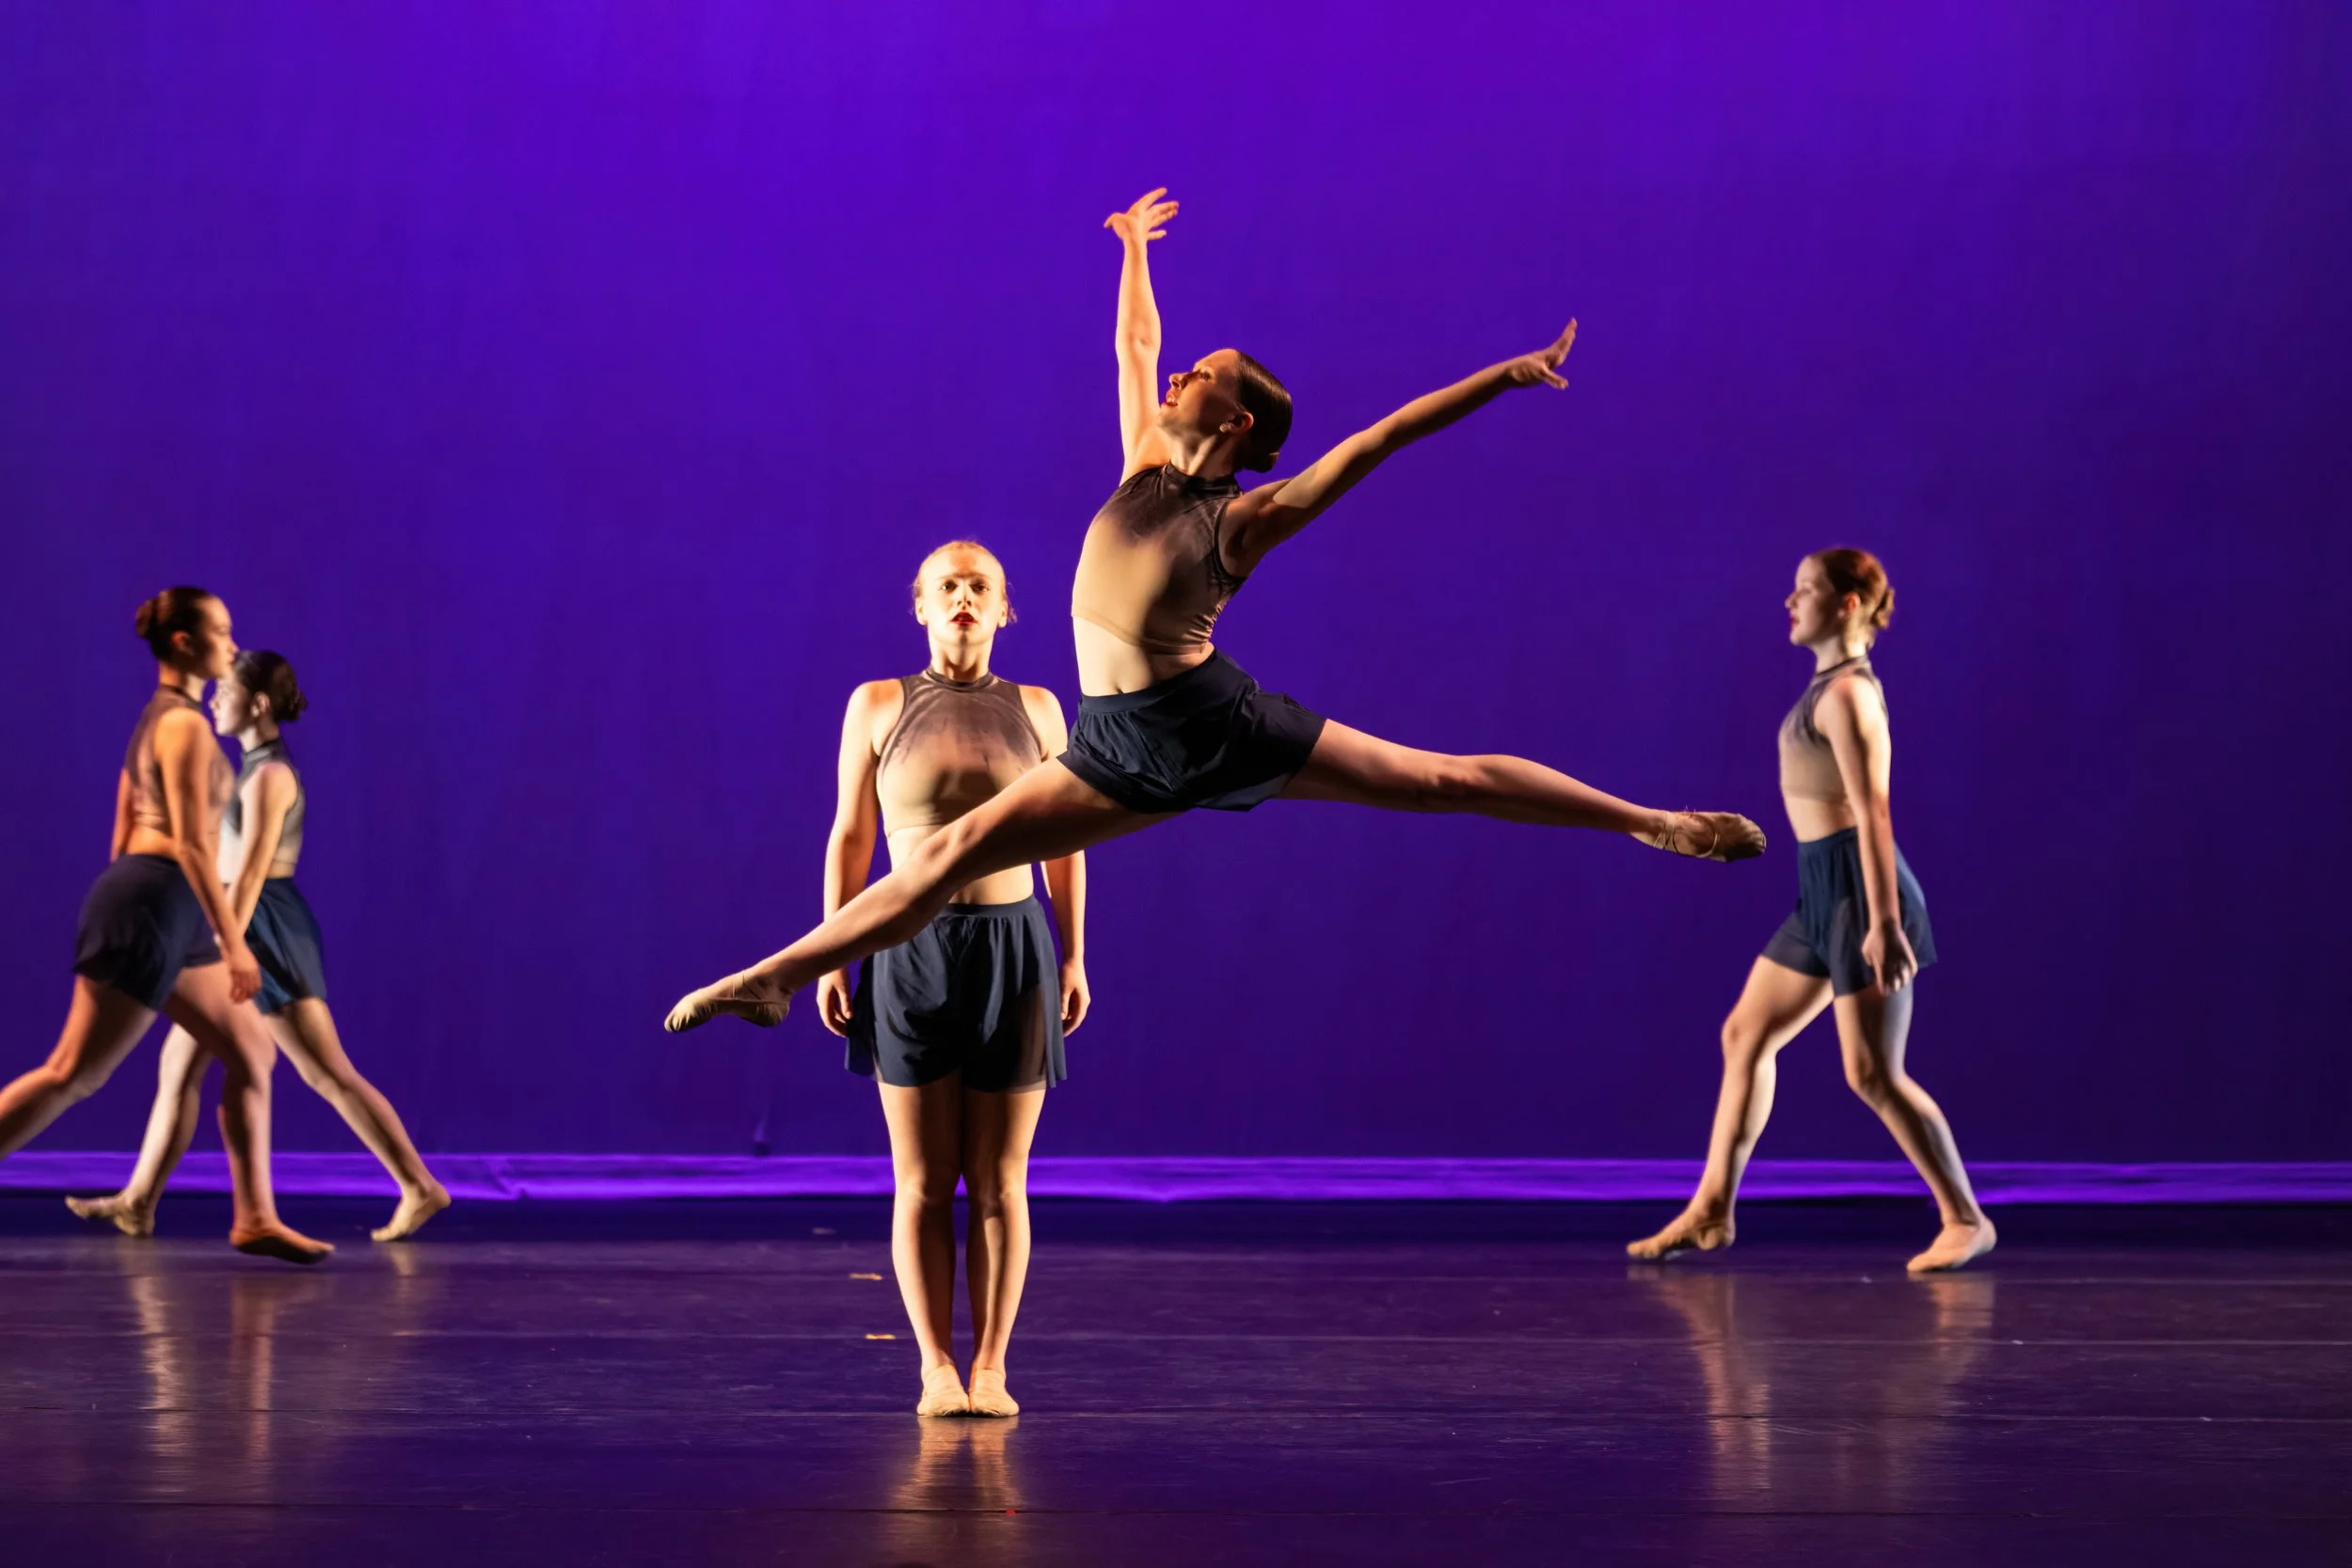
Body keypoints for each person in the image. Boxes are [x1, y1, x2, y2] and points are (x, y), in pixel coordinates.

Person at [664, 188, 1763, 1035]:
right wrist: (1134, 251)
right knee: (949, 849)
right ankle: (778, 976)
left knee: (1441, 780)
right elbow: (1134, 346)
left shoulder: (1242, 520)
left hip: (1210, 724)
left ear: (1233, 422)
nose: (1180, 375)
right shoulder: (1145, 457)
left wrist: (1501, 378)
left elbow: (1377, 440)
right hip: (1114, 745)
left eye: (1203, 375)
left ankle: (1652, 821)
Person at [1627, 550, 1994, 1273]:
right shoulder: (1827, 686)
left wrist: (1884, 922)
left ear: (1848, 603)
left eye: (1805, 590)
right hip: (1822, 888)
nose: (1789, 602)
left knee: (1872, 1073)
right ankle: (1712, 1207)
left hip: (1861, 890)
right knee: (1745, 1034)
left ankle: (1966, 1218)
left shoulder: (1849, 695)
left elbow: (1873, 808)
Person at [817, 542, 1086, 1417]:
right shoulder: (876, 704)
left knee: (1001, 1178)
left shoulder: (1040, 708)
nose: (963, 597)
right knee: (926, 1178)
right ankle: (936, 1366)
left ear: (1004, 609)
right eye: (947, 586)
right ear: (921, 606)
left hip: (1016, 952)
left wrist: (1074, 953)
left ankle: (992, 1367)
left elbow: (1067, 841)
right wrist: (832, 951)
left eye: (980, 587)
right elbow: (851, 835)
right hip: (907, 950)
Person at [67, 650, 451, 1243]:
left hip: (262, 925)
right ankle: (138, 1202)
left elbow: (249, 874)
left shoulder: (271, 776)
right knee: (179, 1062)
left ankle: (420, 1185)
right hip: (241, 919)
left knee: (326, 1071)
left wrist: (227, 947)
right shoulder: (251, 768)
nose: (215, 699)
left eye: (227, 691)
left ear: (259, 703)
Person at [0, 588, 330, 1263]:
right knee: (72, 1072)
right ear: (184, 641)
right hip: (154, 902)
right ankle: (251, 1213)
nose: (232, 644)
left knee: (251, 1051)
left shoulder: (157, 719)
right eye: (221, 631)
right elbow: (188, 844)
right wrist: (232, 941)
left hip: (167, 908)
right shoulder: (183, 725)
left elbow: (123, 821)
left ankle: (255, 1216)